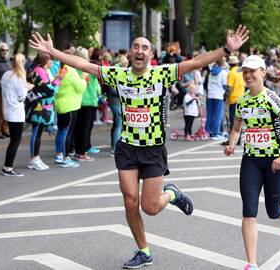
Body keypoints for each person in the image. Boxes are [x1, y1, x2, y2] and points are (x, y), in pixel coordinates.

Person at [29, 25, 249, 269]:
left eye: (145, 47)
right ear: (131, 53)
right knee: (130, 201)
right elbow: (84, 65)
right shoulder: (118, 75)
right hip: (127, 148)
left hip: (153, 149)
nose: (140, 50)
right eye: (136, 46)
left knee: (150, 207)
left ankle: (172, 194)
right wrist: (53, 51)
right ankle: (143, 251)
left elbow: (196, 62)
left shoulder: (161, 74)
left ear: (150, 55)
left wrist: (227, 49)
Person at [223, 55, 280, 270]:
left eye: (252, 71)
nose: (248, 75)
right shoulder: (242, 101)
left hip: (275, 163)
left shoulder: (272, 99)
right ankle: (252, 263)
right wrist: (231, 143)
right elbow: (237, 129)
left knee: (273, 210)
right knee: (249, 210)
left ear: (263, 73)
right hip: (251, 162)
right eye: (245, 71)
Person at [1, 54, 33, 176]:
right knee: (15, 140)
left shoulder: (6, 75)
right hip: (16, 112)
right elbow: (21, 97)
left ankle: (7, 166)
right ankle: (8, 167)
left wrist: (24, 87)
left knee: (13, 140)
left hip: (7, 109)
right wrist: (27, 88)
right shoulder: (19, 77)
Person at [27, 52, 60, 170]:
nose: (52, 62)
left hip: (43, 107)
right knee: (36, 133)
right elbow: (48, 90)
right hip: (38, 107)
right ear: (46, 61)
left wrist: (56, 80)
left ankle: (36, 157)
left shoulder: (43, 71)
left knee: (39, 132)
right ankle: (34, 158)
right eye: (51, 60)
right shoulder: (38, 71)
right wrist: (58, 79)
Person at [221, 55, 245, 146]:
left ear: (230, 64)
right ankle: (238, 140)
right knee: (239, 120)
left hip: (233, 99)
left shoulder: (231, 73)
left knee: (232, 121)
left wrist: (225, 97)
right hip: (241, 98)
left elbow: (229, 88)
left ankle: (232, 140)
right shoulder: (240, 72)